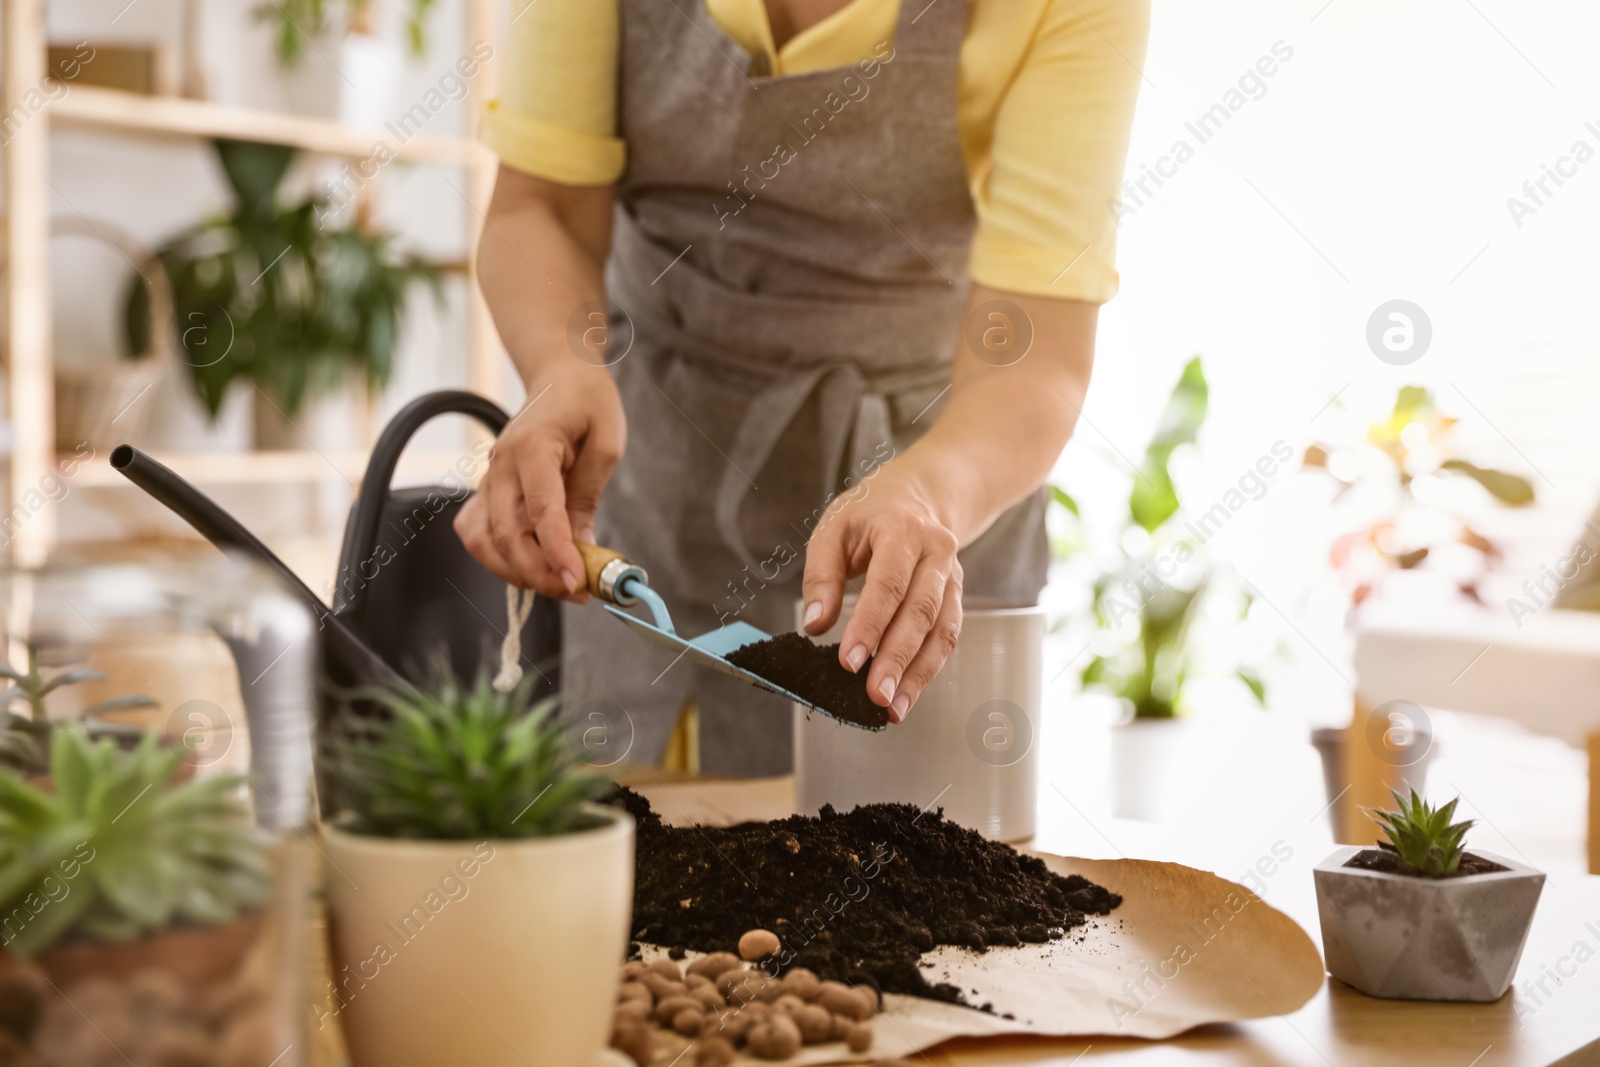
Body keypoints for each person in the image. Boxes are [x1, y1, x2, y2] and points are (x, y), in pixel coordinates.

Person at [456, 0, 1148, 774]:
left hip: (938, 478)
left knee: (917, 862)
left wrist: (929, 494)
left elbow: (1037, 349)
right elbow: (540, 205)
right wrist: (562, 364)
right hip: (656, 471)